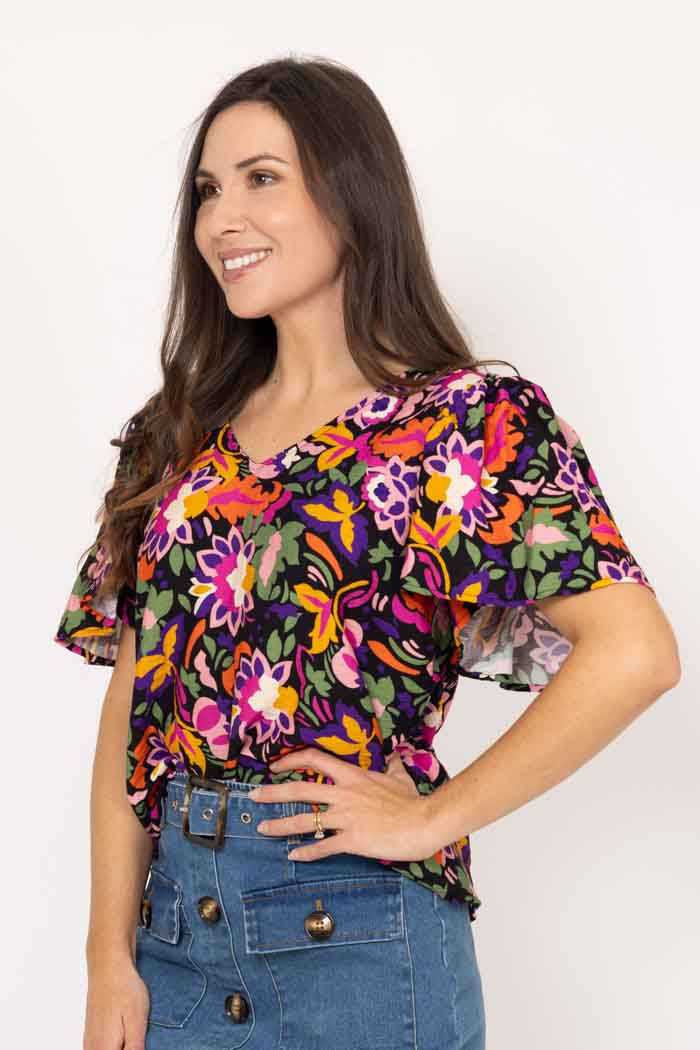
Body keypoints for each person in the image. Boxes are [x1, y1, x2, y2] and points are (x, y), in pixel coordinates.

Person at [53, 56, 680, 1050]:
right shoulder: (175, 439)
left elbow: (636, 651)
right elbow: (135, 707)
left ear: (351, 194)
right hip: (173, 940)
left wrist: (433, 816)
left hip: (355, 936)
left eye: (262, 179)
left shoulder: (465, 425)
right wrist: (104, 954)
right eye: (207, 190)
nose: (221, 220)